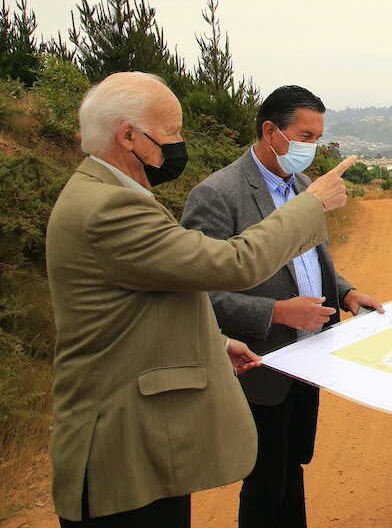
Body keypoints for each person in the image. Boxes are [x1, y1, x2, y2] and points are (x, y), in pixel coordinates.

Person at [46, 72, 355, 527]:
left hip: (142, 436)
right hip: (123, 440)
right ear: (128, 136)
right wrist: (310, 205)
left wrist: (215, 344)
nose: (179, 143)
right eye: (171, 132)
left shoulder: (113, 197)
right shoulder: (111, 208)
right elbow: (229, 266)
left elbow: (153, 299)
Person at [181, 85, 382, 528]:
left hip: (307, 361)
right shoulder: (218, 195)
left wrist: (346, 292)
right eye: (305, 136)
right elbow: (198, 293)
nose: (312, 148)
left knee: (292, 469)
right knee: (264, 480)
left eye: (317, 137)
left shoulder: (305, 187)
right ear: (271, 132)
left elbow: (311, 259)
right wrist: (275, 312)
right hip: (257, 365)